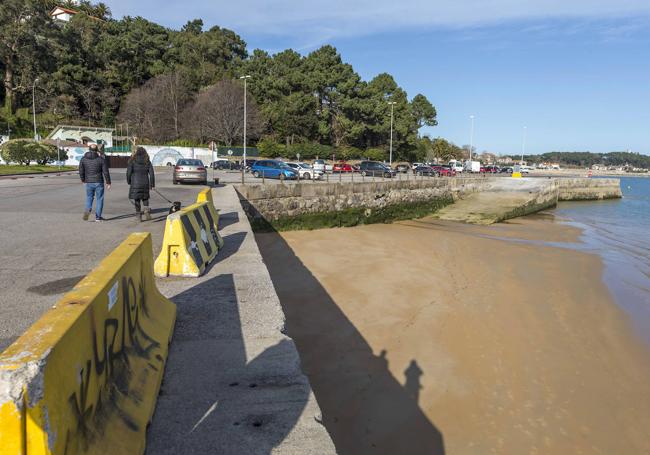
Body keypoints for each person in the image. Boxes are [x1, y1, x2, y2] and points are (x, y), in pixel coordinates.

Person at [79, 144, 111, 222]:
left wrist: (83, 180)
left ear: (89, 149)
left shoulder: (83, 159)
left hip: (89, 182)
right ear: (97, 150)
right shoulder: (101, 159)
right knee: (99, 199)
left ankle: (87, 211)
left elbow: (81, 170)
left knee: (89, 197)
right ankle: (98, 217)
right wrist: (108, 182)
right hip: (99, 182)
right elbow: (105, 171)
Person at [126, 147, 155, 221]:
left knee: (137, 199)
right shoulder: (147, 161)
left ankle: (138, 216)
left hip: (135, 183)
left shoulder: (132, 160)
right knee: (145, 198)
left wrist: (129, 181)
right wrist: (152, 184)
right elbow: (151, 173)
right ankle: (146, 210)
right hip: (145, 183)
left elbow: (128, 173)